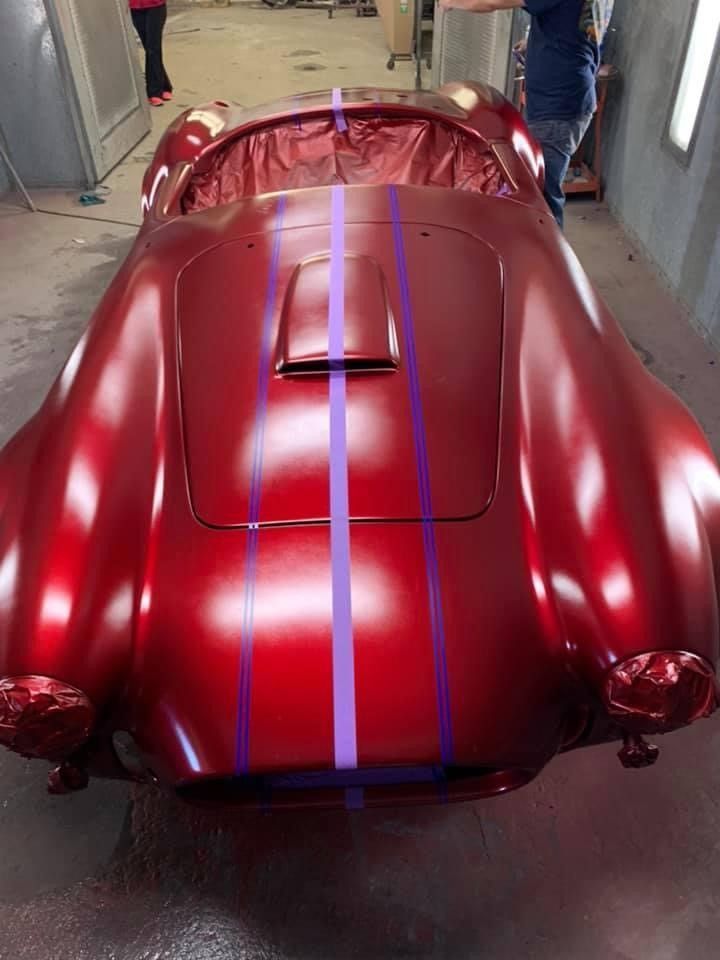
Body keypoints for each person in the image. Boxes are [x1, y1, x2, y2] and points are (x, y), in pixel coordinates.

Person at [438, 0, 614, 228]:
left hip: (557, 105)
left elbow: (492, 2)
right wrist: (535, 43)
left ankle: (548, 261)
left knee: (541, 198)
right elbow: (575, 22)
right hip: (567, 94)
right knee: (538, 190)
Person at [129, 0, 173, 108]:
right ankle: (164, 86)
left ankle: (154, 92)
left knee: (153, 48)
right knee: (149, 49)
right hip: (135, 8)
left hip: (155, 6)